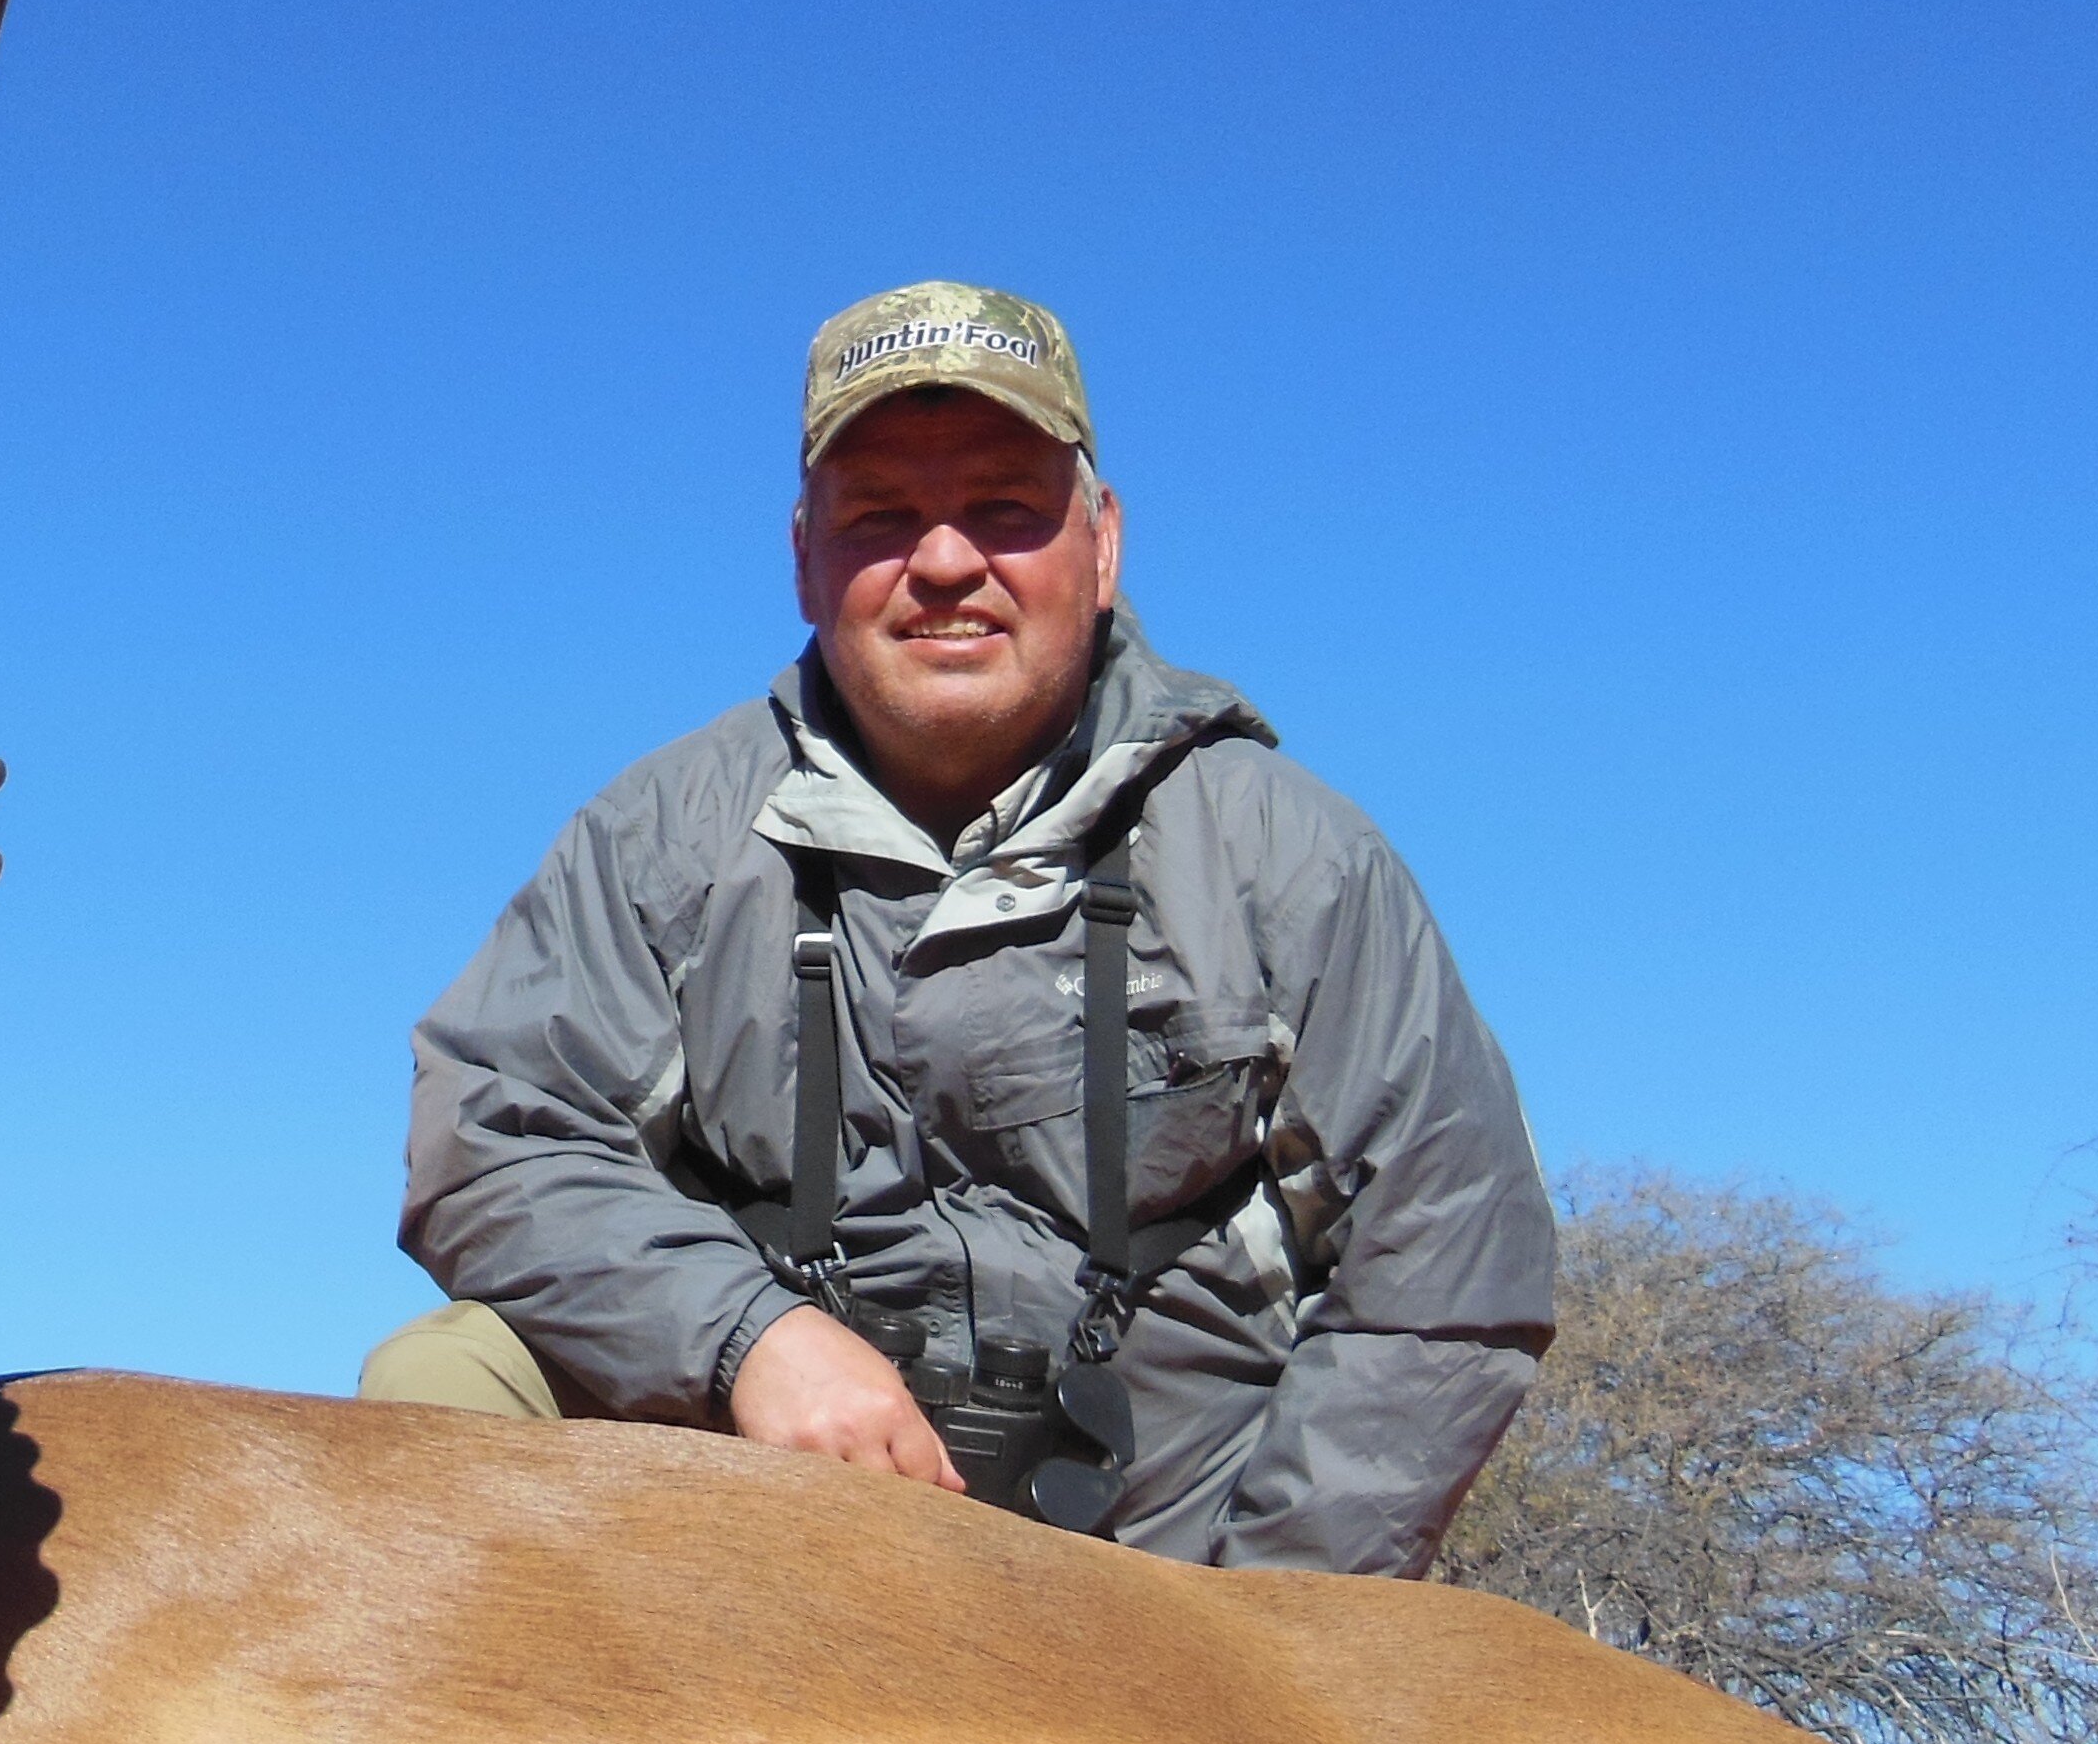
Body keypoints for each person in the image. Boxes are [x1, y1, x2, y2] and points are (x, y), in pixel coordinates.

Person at [362, 280, 1554, 1575]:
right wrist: (747, 1339)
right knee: (441, 1381)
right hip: (757, 1510)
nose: (942, 562)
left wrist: (1270, 1633)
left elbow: (1452, 1259)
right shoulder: (659, 841)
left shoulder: (1291, 855)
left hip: (1170, 1577)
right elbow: (490, 1137)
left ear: (1102, 545)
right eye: (880, 517)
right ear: (805, 558)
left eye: (1003, 508)